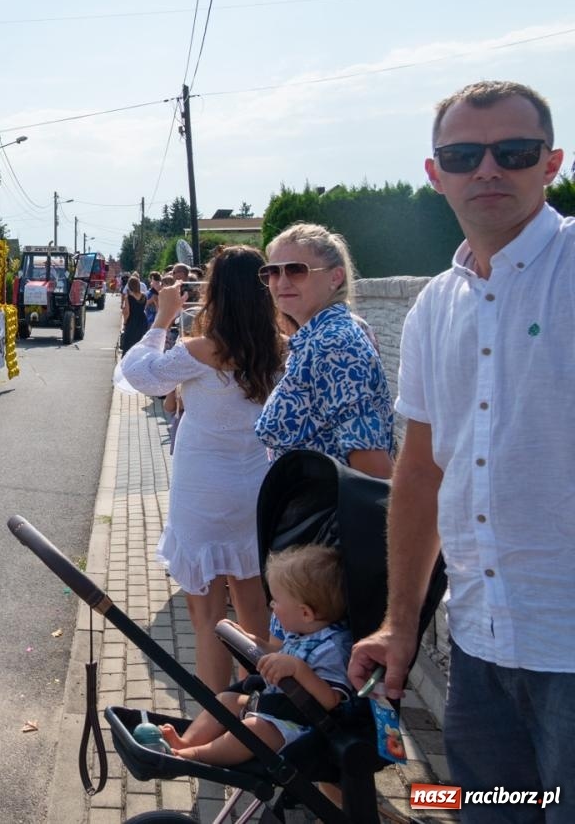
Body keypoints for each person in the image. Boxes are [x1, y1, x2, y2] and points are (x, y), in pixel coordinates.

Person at [349, 80, 574, 813]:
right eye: (463, 154)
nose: (488, 170)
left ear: (551, 164)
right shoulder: (432, 309)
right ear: (434, 171)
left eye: (513, 152)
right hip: (479, 645)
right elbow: (419, 473)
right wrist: (399, 623)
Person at [116, 246, 284, 690]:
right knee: (251, 602)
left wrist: (161, 320)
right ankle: (260, 702)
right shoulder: (279, 348)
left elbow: (138, 376)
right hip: (254, 488)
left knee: (208, 615)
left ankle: (219, 710)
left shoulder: (201, 350)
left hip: (203, 493)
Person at [160, 544, 353, 764]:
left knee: (254, 729)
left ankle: (197, 755)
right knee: (226, 699)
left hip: (299, 724)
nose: (271, 605)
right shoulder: (303, 631)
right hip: (273, 704)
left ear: (305, 613)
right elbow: (279, 654)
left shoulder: (333, 648)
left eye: (276, 601)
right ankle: (187, 742)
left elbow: (330, 700)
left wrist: (299, 669)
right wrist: (254, 642)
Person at [254, 223, 395, 478]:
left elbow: (374, 469)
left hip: (332, 513)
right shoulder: (316, 338)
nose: (282, 281)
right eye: (272, 272)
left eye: (297, 270)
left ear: (335, 277)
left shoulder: (333, 344)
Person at [118, 275, 150, 355]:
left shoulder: (128, 297)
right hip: (143, 320)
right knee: (140, 341)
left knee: (129, 342)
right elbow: (144, 308)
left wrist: (125, 322)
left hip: (132, 320)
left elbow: (127, 312)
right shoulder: (144, 296)